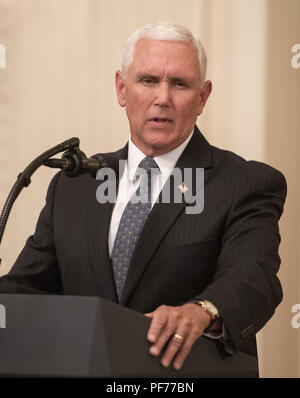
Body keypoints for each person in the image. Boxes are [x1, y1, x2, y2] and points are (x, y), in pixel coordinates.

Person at [0, 22, 287, 372]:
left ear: (203, 97)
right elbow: (25, 290)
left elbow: (253, 278)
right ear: (122, 88)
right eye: (148, 80)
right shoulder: (75, 184)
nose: (162, 98)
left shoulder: (245, 182)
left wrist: (203, 311)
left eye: (179, 84)